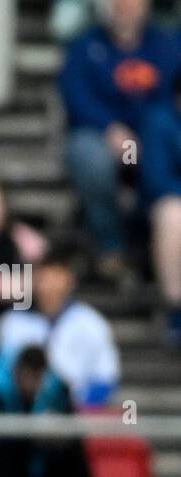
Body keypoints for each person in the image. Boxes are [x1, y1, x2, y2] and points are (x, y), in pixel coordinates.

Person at [59, 0, 180, 277]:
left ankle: (149, 239)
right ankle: (111, 243)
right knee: (89, 157)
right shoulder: (85, 46)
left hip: (156, 135)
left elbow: (173, 95)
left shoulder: (168, 45)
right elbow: (75, 96)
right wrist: (109, 127)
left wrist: (147, 132)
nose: (126, 6)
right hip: (103, 137)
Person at [0, 242, 120, 409]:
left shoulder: (91, 323)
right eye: (42, 274)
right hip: (21, 414)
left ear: (70, 279)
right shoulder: (12, 322)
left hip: (74, 417)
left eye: (56, 274)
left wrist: (70, 403)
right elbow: (1, 374)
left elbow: (107, 377)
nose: (48, 282)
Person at [0, 344, 94, 477]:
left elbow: (69, 422)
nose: (31, 385)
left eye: (36, 379)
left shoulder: (57, 389)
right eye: (27, 378)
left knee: (73, 448)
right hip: (1, 462)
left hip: (41, 459)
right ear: (17, 371)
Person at [139, 70, 181, 342]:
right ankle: (176, 311)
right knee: (173, 214)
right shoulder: (158, 120)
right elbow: (156, 180)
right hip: (162, 206)